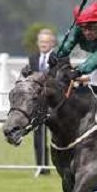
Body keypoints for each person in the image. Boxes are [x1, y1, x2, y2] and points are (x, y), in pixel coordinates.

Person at [29, 28, 57, 174]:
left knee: (57, 136)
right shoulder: (32, 58)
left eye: (46, 42)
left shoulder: (60, 57)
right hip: (38, 103)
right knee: (38, 136)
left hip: (55, 104)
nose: (43, 44)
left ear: (52, 43)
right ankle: (41, 167)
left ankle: (59, 165)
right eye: (41, 42)